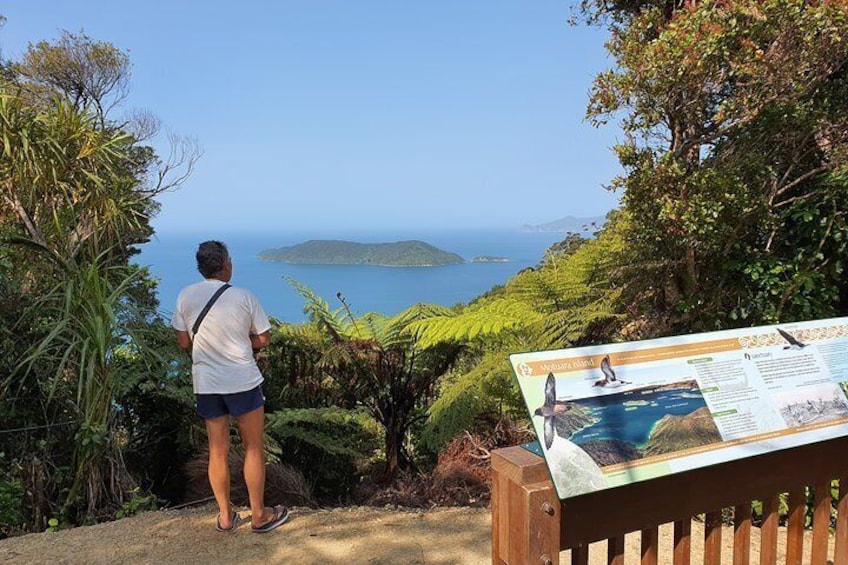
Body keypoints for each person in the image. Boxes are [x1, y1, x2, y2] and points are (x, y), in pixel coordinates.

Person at [172, 240, 289, 533]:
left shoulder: (185, 296)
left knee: (218, 451)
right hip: (242, 381)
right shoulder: (243, 297)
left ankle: (225, 517)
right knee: (253, 448)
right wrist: (240, 341)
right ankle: (259, 516)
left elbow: (184, 341)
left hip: (207, 383)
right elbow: (263, 339)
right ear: (225, 265)